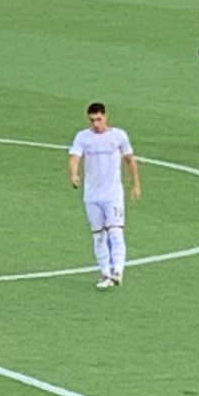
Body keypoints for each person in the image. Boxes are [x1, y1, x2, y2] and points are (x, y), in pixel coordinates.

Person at [69, 102, 140, 289]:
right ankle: (105, 273)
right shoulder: (83, 137)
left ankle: (118, 271)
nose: (95, 124)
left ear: (105, 117)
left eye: (98, 119)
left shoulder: (118, 136)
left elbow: (130, 160)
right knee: (98, 236)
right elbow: (74, 157)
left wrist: (135, 184)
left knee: (116, 232)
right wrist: (74, 174)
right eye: (92, 120)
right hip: (92, 196)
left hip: (113, 194)